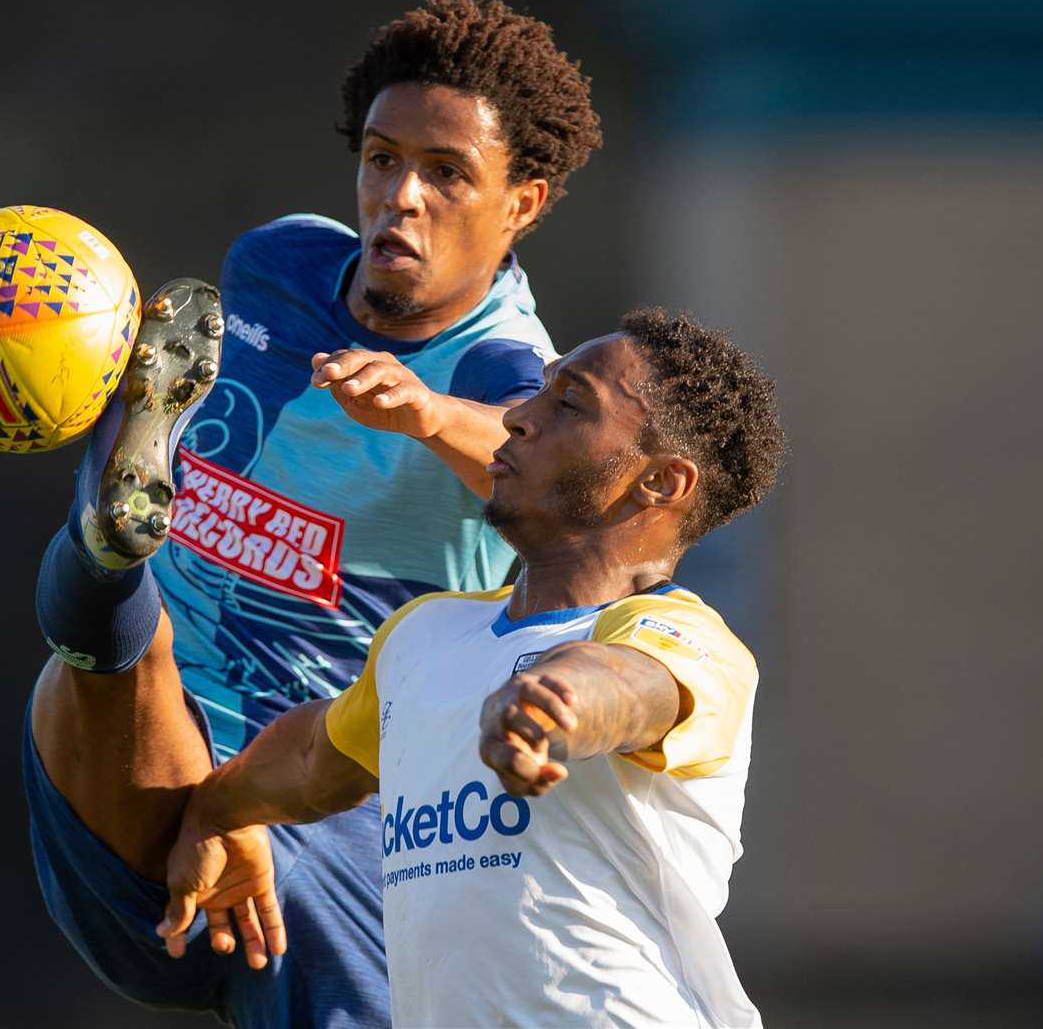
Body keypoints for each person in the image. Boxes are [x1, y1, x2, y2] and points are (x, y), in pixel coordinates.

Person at [25, 0, 603, 1025]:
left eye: (444, 173)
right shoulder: (275, 265)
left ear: (521, 200)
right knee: (126, 636)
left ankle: (103, 563)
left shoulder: (512, 370)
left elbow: (554, 483)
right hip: (132, 773)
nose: (401, 197)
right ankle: (107, 545)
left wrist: (430, 416)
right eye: (381, 160)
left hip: (319, 804)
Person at [159, 309, 787, 1028]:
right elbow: (310, 760)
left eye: (569, 403)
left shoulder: (684, 639)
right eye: (539, 391)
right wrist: (217, 811)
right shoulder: (425, 633)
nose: (519, 417)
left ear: (663, 483)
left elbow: (622, 685)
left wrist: (549, 705)